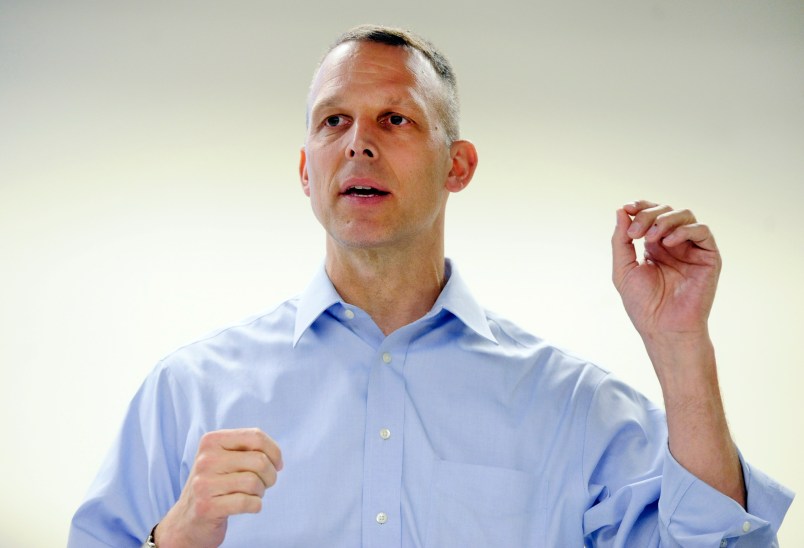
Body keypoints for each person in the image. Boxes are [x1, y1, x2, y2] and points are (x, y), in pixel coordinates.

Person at [69, 24, 793, 547]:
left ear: (459, 165)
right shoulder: (188, 393)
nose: (358, 141)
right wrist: (178, 538)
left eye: (394, 118)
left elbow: (713, 545)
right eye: (333, 121)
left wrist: (680, 344)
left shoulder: (574, 408)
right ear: (305, 170)